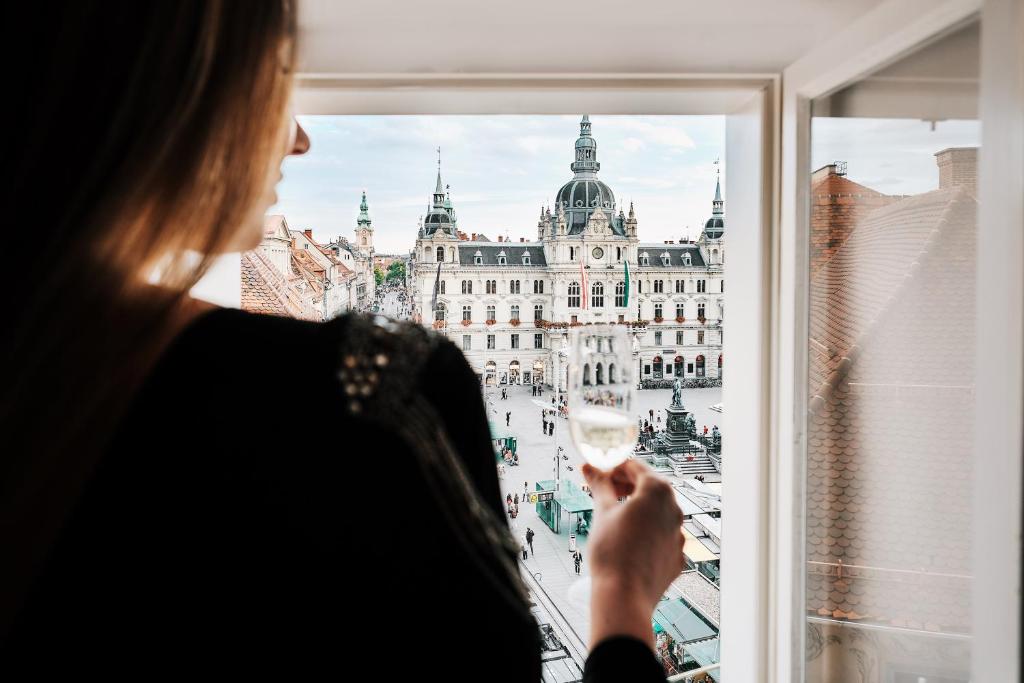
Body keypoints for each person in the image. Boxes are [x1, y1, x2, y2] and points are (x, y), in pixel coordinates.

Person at [0, 5, 684, 680]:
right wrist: (621, 592)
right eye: (271, 74)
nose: (299, 137)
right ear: (160, 90)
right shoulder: (387, 392)